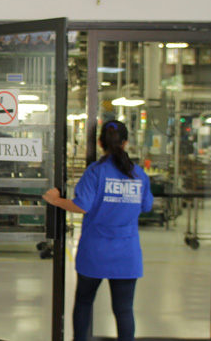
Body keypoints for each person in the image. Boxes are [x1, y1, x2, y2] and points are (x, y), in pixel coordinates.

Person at [42, 120, 153, 341]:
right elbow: (147, 206)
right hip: (126, 253)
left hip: (95, 251)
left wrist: (56, 201)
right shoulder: (138, 174)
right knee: (124, 309)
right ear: (126, 142)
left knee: (84, 301)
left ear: (101, 143)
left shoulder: (96, 172)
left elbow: (82, 205)